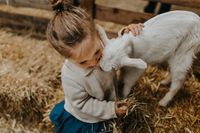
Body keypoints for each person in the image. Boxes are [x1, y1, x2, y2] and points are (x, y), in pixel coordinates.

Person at [46, 0, 144, 132]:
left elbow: (117, 46)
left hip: (108, 96)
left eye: (97, 52)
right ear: (67, 58)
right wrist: (111, 109)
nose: (93, 62)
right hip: (88, 117)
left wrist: (128, 34)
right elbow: (83, 104)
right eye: (83, 62)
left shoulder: (103, 42)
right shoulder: (70, 76)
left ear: (99, 35)